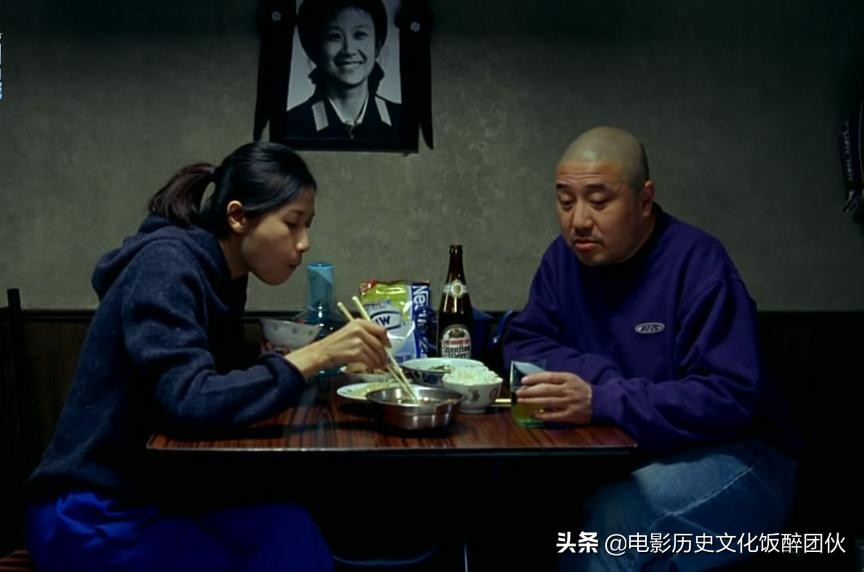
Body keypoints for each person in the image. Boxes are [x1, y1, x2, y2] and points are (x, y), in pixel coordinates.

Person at [25, 141, 393, 572]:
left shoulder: (224, 273)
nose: (304, 243)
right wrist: (315, 355)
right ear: (238, 217)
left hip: (158, 489)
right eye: (292, 224)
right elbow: (189, 397)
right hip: (90, 508)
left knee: (288, 525)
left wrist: (276, 359)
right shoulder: (166, 264)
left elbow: (211, 377)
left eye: (307, 225)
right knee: (270, 552)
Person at [503, 126, 797, 571]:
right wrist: (599, 383)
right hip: (637, 453)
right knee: (519, 503)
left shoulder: (698, 263)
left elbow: (729, 397)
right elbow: (524, 343)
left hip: (742, 456)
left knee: (614, 528)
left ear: (644, 200)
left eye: (598, 201)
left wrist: (601, 399)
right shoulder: (563, 260)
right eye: (565, 201)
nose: (578, 221)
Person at [284, 0, 404, 143]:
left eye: (360, 34)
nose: (348, 50)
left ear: (377, 45)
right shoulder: (292, 124)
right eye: (334, 36)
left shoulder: (402, 120)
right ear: (315, 48)